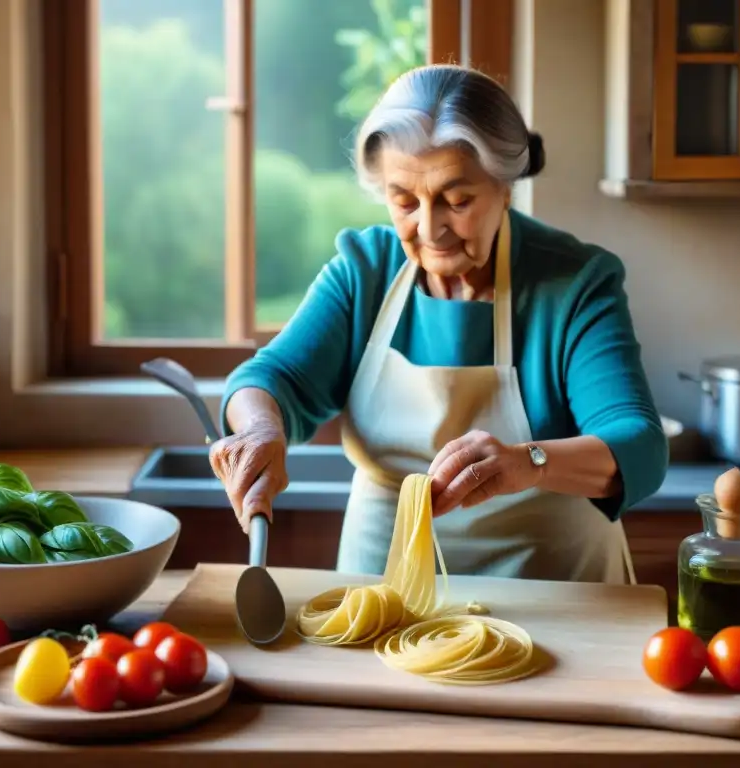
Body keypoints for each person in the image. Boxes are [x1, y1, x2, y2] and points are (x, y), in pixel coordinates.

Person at [210, 64, 668, 584]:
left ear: (506, 188)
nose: (430, 230)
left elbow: (639, 446)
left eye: (457, 200)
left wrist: (527, 461)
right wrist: (262, 428)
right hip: (383, 585)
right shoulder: (365, 271)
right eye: (404, 201)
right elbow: (269, 379)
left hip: (553, 589)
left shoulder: (574, 281)